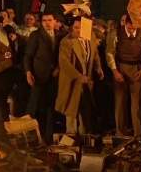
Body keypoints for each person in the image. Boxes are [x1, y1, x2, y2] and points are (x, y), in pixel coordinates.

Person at [106, 14, 141, 138]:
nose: (132, 30)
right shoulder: (116, 33)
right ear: (126, 24)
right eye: (130, 28)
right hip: (121, 66)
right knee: (120, 101)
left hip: (137, 68)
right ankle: (120, 132)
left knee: (136, 102)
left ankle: (138, 134)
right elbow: (109, 53)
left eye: (134, 28)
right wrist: (115, 71)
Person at [56, 16, 101, 136]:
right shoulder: (67, 42)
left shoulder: (91, 37)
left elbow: (94, 54)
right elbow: (64, 63)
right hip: (72, 81)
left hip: (86, 81)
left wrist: (98, 68)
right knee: (71, 110)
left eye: (81, 27)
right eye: (76, 27)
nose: (78, 30)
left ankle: (84, 136)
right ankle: (71, 137)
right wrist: (78, 76)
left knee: (85, 109)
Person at [23, 11, 62, 142]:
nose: (47, 23)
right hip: (38, 75)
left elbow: (60, 56)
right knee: (34, 106)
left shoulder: (59, 35)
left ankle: (48, 137)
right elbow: (28, 55)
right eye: (44, 20)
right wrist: (28, 72)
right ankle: (28, 135)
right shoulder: (36, 35)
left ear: (55, 21)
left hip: (53, 76)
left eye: (49, 20)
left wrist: (58, 68)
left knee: (50, 107)